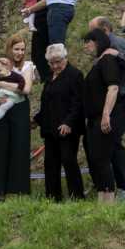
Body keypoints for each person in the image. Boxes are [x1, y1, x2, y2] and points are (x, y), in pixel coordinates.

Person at [86, 15, 125, 192]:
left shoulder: (116, 43)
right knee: (113, 143)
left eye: (93, 33)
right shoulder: (103, 50)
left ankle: (121, 188)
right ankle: (119, 187)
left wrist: (117, 54)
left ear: (105, 30)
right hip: (117, 101)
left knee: (112, 142)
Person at [79, 27, 125, 202]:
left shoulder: (107, 59)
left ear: (98, 41)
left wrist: (106, 114)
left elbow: (113, 87)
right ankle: (102, 196)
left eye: (88, 42)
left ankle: (108, 199)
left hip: (103, 116)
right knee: (95, 158)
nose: (86, 46)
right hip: (93, 119)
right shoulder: (99, 62)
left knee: (102, 158)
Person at [0, 34, 35, 200]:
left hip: (19, 109)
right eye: (16, 49)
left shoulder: (27, 66)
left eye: (22, 49)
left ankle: (19, 191)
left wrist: (2, 83)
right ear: (9, 49)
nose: (19, 52)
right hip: (2, 108)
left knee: (20, 147)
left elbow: (25, 89)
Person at [36, 43, 85, 201]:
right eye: (52, 62)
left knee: (69, 161)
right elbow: (47, 103)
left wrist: (69, 123)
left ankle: (77, 196)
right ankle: (52, 198)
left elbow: (78, 102)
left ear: (65, 58)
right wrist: (37, 120)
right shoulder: (49, 78)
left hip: (67, 128)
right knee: (50, 164)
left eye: (58, 61)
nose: (55, 65)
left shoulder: (75, 75)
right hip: (50, 128)